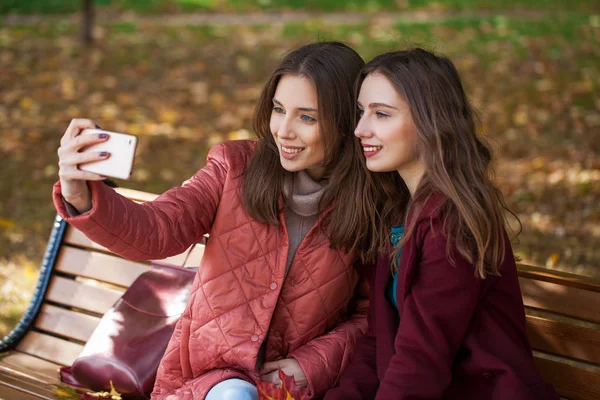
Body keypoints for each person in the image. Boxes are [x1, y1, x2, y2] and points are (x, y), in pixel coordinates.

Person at [53, 42, 379, 400]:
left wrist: (311, 364)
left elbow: (372, 315)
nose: (283, 130)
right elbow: (157, 229)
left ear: (349, 122)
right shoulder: (233, 168)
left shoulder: (370, 204)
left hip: (296, 390)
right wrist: (80, 195)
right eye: (278, 109)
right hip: (211, 381)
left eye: (307, 117)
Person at [325, 48, 559, 400]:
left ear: (428, 120)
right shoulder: (401, 213)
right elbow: (379, 342)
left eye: (381, 114)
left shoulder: (453, 223)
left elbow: (421, 360)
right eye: (362, 112)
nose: (360, 129)